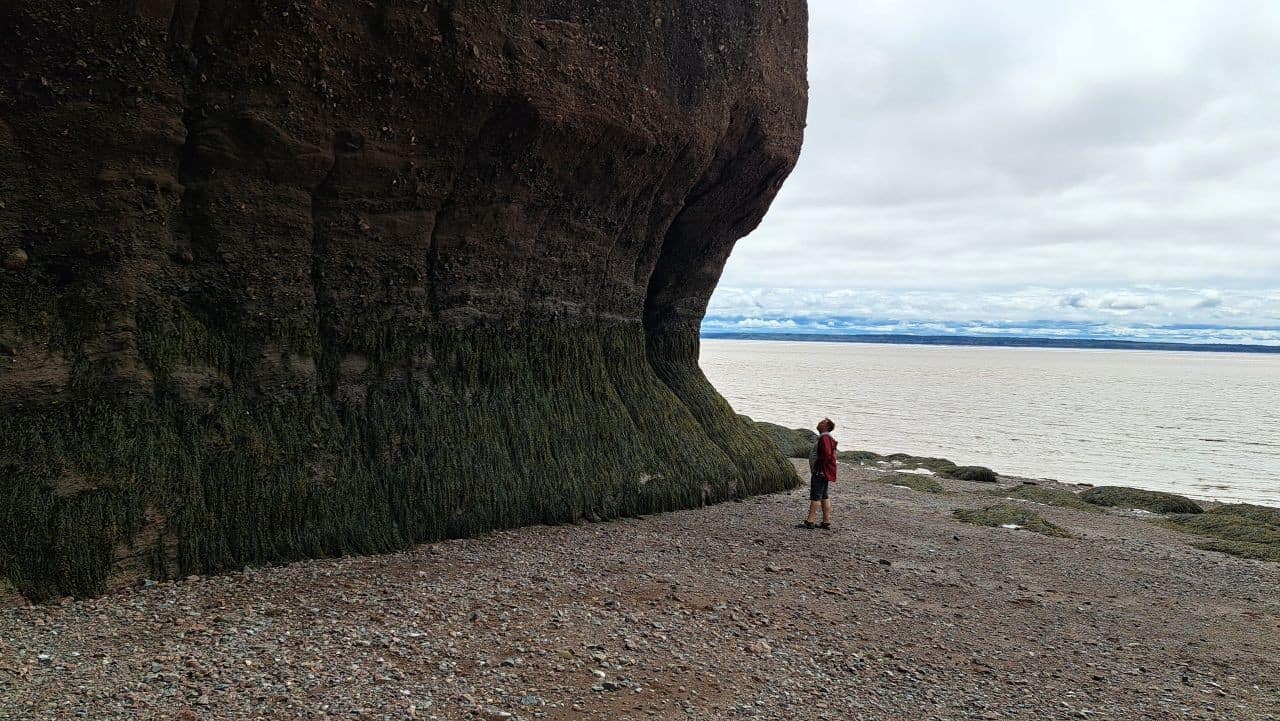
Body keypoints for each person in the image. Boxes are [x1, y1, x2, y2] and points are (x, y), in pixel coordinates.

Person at [802, 418, 838, 529]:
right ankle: (826, 521)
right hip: (824, 472)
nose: (819, 423)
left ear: (827, 427)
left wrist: (819, 468)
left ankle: (810, 521)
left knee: (816, 496)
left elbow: (827, 454)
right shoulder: (826, 438)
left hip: (820, 472)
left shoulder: (825, 438)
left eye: (822, 422)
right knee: (824, 495)